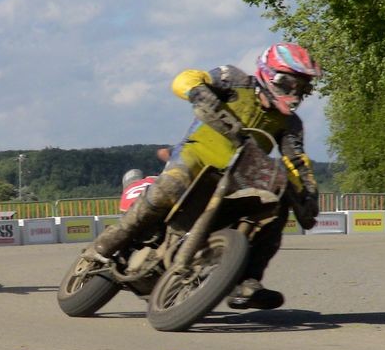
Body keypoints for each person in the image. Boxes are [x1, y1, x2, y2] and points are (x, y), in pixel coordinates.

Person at [85, 43, 321, 310]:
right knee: (171, 185)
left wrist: (307, 194)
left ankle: (247, 280)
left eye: (303, 87)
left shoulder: (290, 124)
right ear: (269, 73)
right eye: (290, 83)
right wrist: (197, 91)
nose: (295, 92)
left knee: (274, 210)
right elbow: (186, 78)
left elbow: (296, 162)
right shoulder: (233, 79)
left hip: (238, 179)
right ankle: (111, 241)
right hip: (195, 157)